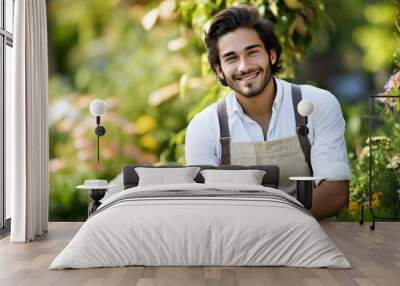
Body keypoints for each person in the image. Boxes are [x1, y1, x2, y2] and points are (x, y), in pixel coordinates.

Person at [184, 5, 351, 219]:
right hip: (238, 245)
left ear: (272, 55)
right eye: (231, 58)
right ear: (219, 70)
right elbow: (204, 207)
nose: (244, 66)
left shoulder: (318, 103)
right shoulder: (205, 126)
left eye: (252, 52)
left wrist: (274, 228)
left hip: (312, 241)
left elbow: (335, 193)